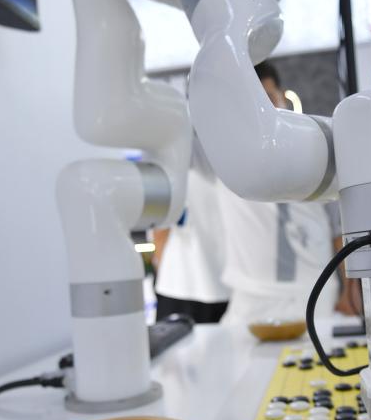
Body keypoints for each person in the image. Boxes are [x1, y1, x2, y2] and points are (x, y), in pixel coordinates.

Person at [218, 60, 360, 324]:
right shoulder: (222, 153)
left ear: (282, 96)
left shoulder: (314, 145)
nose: (264, 110)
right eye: (253, 103)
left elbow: (337, 227)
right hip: (251, 298)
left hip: (314, 292)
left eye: (269, 98)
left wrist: (350, 288)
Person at [151, 137, 230, 323]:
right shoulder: (234, 160)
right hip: (221, 285)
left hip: (182, 284)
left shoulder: (176, 159)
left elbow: (160, 231)